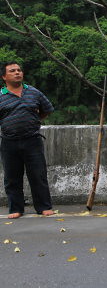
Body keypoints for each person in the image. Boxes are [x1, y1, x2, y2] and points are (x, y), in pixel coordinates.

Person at [0, 62, 55, 218]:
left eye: (19, 70)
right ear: (4, 77)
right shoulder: (1, 95)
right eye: (12, 71)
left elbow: (47, 109)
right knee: (12, 177)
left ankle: (44, 207)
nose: (17, 73)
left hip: (32, 140)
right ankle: (16, 209)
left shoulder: (33, 92)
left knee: (38, 174)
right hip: (9, 142)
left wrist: (34, 120)